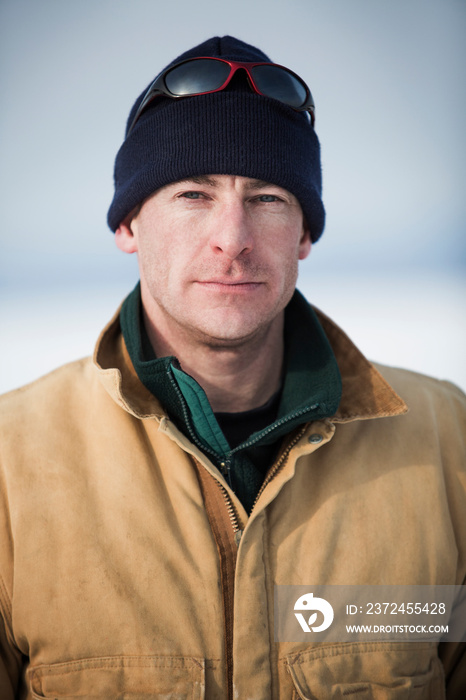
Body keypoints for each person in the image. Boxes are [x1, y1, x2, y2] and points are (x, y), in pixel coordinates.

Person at [0, 35, 465, 700]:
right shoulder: (10, 461)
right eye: (193, 194)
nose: (232, 237)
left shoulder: (448, 438)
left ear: (305, 234)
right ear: (129, 224)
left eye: (268, 197)